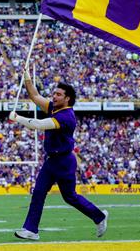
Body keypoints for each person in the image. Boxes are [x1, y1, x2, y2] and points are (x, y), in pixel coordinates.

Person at [10, 70, 108, 240]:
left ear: (67, 98)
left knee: (70, 196)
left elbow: (39, 125)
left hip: (64, 161)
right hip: (52, 161)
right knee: (38, 193)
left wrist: (18, 118)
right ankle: (31, 230)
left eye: (58, 94)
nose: (54, 96)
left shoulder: (67, 116)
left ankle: (99, 216)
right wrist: (26, 77)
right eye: (54, 93)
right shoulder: (54, 108)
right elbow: (34, 95)